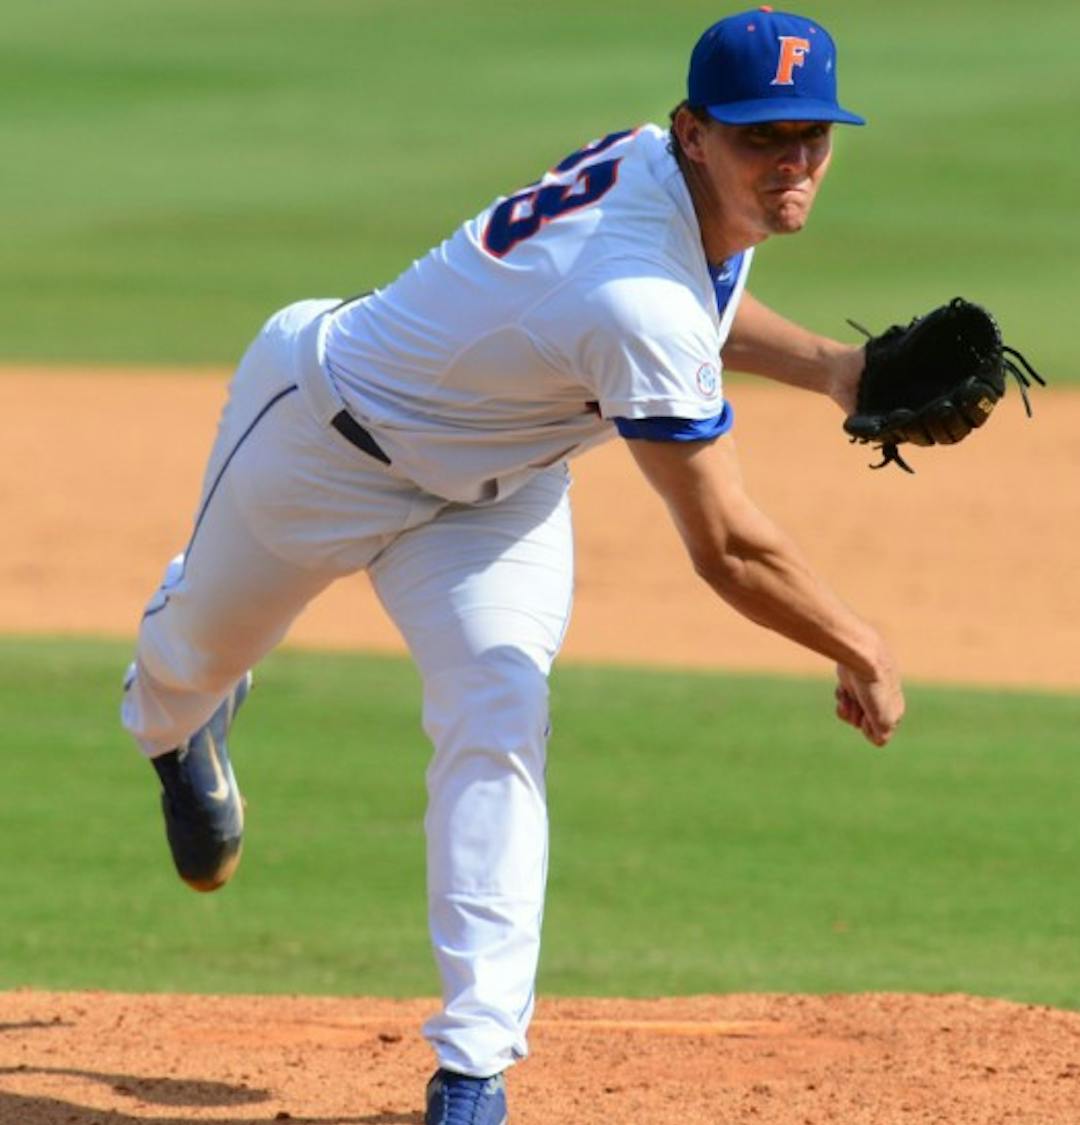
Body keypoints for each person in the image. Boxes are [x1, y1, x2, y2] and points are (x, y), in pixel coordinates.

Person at [120, 8, 903, 1124]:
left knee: (500, 704)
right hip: (322, 443)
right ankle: (180, 723)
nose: (792, 161)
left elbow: (703, 300)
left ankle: (473, 1071)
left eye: (811, 134)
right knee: (188, 661)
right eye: (759, 136)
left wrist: (838, 368)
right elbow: (725, 546)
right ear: (694, 133)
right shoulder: (634, 293)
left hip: (497, 498)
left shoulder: (662, 181)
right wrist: (856, 641)